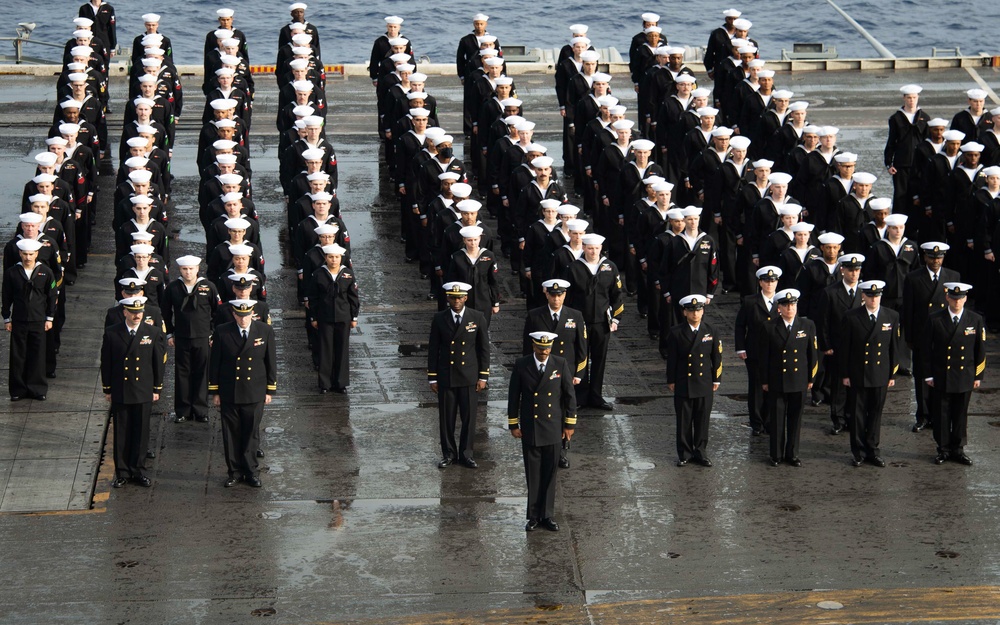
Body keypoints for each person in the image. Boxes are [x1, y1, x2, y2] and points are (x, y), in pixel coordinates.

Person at [507, 331, 576, 532]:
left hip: (553, 428)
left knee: (549, 474)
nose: (544, 351)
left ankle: (547, 515)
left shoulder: (560, 364)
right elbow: (514, 396)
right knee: (533, 474)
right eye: (540, 348)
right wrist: (514, 424)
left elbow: (569, 397)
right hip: (531, 428)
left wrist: (569, 424)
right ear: (533, 346)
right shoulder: (522, 365)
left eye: (547, 348)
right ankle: (534, 516)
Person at [209, 300, 278, 487]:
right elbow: (215, 363)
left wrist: (270, 389)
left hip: (254, 391)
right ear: (234, 315)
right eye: (239, 315)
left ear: (252, 314)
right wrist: (215, 391)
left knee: (250, 433)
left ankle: (250, 471)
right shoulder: (223, 332)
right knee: (230, 433)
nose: (243, 319)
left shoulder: (264, 331)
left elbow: (271, 361)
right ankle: (234, 471)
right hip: (229, 390)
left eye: (246, 315)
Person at [521, 278, 588, 469]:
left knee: (565, 411)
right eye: (553, 295)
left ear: (565, 295)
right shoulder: (534, 316)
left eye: (560, 295)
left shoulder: (575, 316)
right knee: (545, 411)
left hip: (565, 374)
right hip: (542, 373)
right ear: (546, 294)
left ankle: (562, 451)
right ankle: (544, 446)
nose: (556, 299)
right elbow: (527, 349)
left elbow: (582, 348)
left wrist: (579, 374)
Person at [100, 297, 165, 488]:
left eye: (140, 312)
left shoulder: (151, 332)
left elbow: (157, 362)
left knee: (141, 432)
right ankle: (122, 472)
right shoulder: (112, 333)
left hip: (143, 389)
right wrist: (108, 388)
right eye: (133, 312)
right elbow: (107, 363)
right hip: (121, 388)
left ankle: (138, 470)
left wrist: (156, 388)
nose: (137, 315)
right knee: (121, 432)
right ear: (125, 312)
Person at [428, 282, 491, 468]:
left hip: (469, 376)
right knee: (446, 419)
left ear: (466, 298)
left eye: (460, 297)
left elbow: (483, 349)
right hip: (447, 375)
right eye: (453, 298)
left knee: (469, 419)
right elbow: (433, 349)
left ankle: (466, 454)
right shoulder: (439, 318)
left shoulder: (477, 317)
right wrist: (432, 376)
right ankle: (448, 453)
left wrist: (483, 376)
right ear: (448, 298)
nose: (456, 301)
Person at [923, 283, 985, 466]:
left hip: (965, 375)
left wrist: (977, 376)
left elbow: (980, 350)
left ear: (965, 299)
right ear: (947, 298)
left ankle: (958, 450)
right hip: (942, 374)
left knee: (960, 414)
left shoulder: (975, 319)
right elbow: (926, 350)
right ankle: (943, 449)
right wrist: (928, 375)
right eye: (954, 298)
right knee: (942, 414)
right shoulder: (935, 319)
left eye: (960, 298)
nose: (957, 302)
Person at [840, 280, 900, 467]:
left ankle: (873, 450)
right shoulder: (851, 317)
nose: (874, 299)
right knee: (857, 414)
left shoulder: (891, 316)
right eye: (870, 295)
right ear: (863, 296)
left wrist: (892, 374)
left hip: (880, 373)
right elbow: (845, 349)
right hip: (858, 372)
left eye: (877, 295)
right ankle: (858, 452)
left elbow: (894, 348)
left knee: (875, 413)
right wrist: (845, 374)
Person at [561, 233, 624, 410]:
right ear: (583, 248)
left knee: (599, 359)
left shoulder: (610, 267)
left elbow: (617, 295)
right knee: (581, 357)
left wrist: (616, 319)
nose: (593, 251)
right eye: (590, 248)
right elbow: (567, 296)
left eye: (596, 248)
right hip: (580, 321)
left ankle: (596, 396)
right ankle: (580, 396)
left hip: (602, 322)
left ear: (601, 248)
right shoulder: (574, 267)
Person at [902, 242, 959, 432]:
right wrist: (909, 336)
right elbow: (908, 309)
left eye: (939, 257)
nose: (936, 261)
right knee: (921, 376)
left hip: (944, 336)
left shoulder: (953, 276)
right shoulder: (913, 278)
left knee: (942, 375)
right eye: (932, 257)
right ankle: (923, 415)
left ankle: (938, 416)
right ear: (925, 257)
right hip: (922, 335)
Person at [759, 288, 817, 467]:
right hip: (777, 380)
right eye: (786, 305)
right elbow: (764, 357)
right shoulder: (769, 327)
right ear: (779, 308)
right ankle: (776, 454)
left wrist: (811, 378)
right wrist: (765, 380)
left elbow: (812, 354)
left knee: (795, 419)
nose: (790, 308)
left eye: (793, 304)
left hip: (798, 379)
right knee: (777, 419)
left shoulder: (807, 326)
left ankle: (792, 453)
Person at [666, 294, 722, 467]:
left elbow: (717, 357)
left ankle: (701, 451)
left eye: (698, 310)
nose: (695, 314)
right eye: (691, 310)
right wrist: (671, 380)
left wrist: (716, 379)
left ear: (703, 311)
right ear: (684, 312)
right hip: (684, 381)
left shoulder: (711, 330)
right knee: (684, 420)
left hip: (704, 382)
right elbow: (672, 359)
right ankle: (684, 453)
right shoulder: (676, 332)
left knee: (702, 419)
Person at [162, 255, 220, 424]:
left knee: (202, 374)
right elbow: (165, 312)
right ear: (180, 270)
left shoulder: (208, 287)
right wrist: (170, 334)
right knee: (182, 374)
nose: (188, 272)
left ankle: (201, 410)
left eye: (191, 269)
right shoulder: (173, 288)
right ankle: (182, 410)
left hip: (202, 337)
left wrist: (213, 333)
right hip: (181, 337)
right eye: (185, 269)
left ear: (197, 269)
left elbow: (217, 312)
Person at [814, 253, 864, 434]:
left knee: (856, 385)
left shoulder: (864, 292)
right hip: (838, 346)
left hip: (858, 348)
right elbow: (824, 321)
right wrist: (826, 345)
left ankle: (852, 417)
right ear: (842, 270)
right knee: (838, 385)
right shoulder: (830, 292)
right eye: (850, 270)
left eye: (857, 270)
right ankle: (838, 418)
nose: (854, 273)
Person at [2, 239, 57, 401]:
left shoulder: (46, 272)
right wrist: (6, 317)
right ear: (20, 253)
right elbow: (6, 296)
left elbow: (52, 295)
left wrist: (50, 318)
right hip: (19, 320)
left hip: (38, 320)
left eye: (31, 254)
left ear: (36, 254)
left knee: (38, 355)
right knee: (18, 356)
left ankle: (37, 389)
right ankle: (18, 389)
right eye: (25, 254)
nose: (27, 257)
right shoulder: (12, 273)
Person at [734, 266, 781, 435]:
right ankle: (756, 423)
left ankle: (769, 421)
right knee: (756, 387)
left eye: (773, 281)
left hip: (776, 352)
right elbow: (740, 325)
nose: (770, 284)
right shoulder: (750, 301)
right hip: (754, 351)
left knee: (773, 386)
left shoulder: (782, 301)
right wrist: (740, 347)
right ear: (760, 282)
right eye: (766, 281)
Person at [306, 244, 359, 394]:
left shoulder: (347, 274)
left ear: (341, 258)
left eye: (336, 257)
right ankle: (325, 383)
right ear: (325, 258)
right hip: (325, 317)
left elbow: (353, 298)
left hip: (343, 317)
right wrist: (313, 317)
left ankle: (340, 383)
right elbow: (313, 298)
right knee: (325, 350)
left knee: (342, 350)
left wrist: (354, 316)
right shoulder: (318, 274)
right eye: (330, 257)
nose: (333, 260)